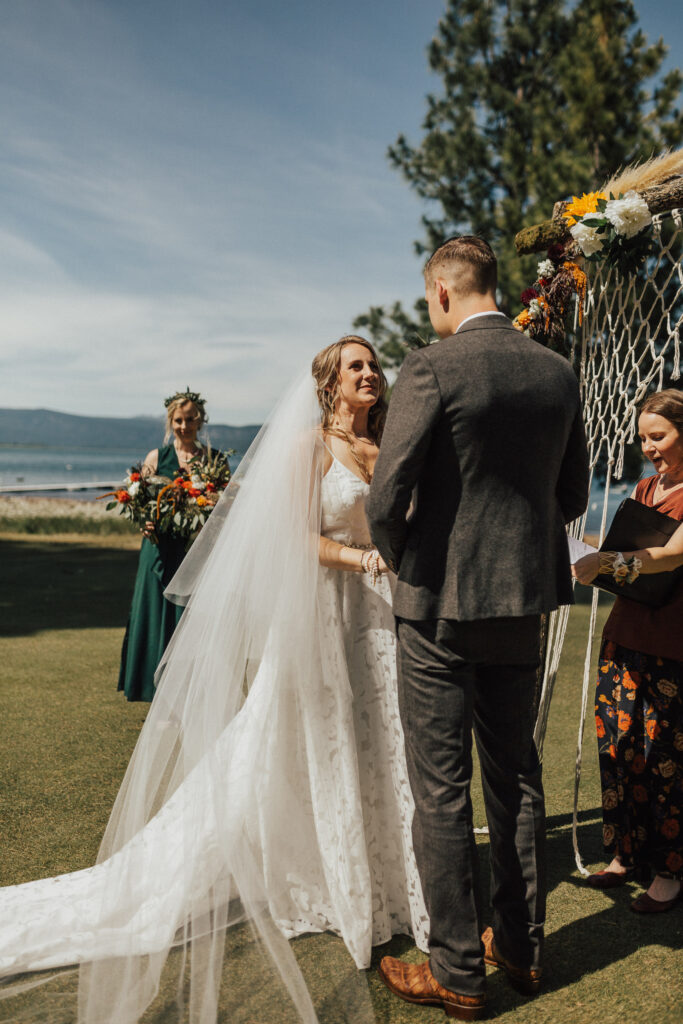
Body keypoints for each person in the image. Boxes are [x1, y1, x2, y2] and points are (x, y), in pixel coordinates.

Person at [0, 337, 428, 1024]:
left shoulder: (388, 448)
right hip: (324, 616)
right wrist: (363, 560)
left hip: (382, 624)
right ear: (328, 384)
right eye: (355, 366)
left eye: (373, 363)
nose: (371, 373)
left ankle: (391, 877)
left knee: (383, 740)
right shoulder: (308, 449)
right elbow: (294, 538)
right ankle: (321, 876)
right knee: (305, 744)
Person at [366, 236, 590, 1021]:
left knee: (441, 790)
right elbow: (570, 494)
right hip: (520, 601)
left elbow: (385, 498)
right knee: (515, 776)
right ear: (493, 285)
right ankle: (522, 951)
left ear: (439, 292)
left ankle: (457, 971)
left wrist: (407, 562)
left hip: (435, 606)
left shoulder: (430, 367)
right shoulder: (556, 371)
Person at [572, 388, 683, 913]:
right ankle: (625, 856)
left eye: (657, 436)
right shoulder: (643, 486)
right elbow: (625, 547)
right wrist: (596, 554)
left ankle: (668, 870)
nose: (648, 447)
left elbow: (666, 556)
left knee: (665, 757)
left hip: (671, 643)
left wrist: (607, 562)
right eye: (643, 438)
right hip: (625, 634)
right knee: (618, 747)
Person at [118, 388, 209, 701]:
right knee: (154, 615)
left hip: (190, 551)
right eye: (179, 420)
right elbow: (138, 500)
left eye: (190, 420)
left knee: (184, 619)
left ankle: (183, 694)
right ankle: (150, 690)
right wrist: (143, 521)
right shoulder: (157, 458)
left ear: (201, 421)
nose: (184, 426)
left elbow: (219, 506)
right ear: (171, 422)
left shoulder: (210, 461)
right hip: (156, 548)